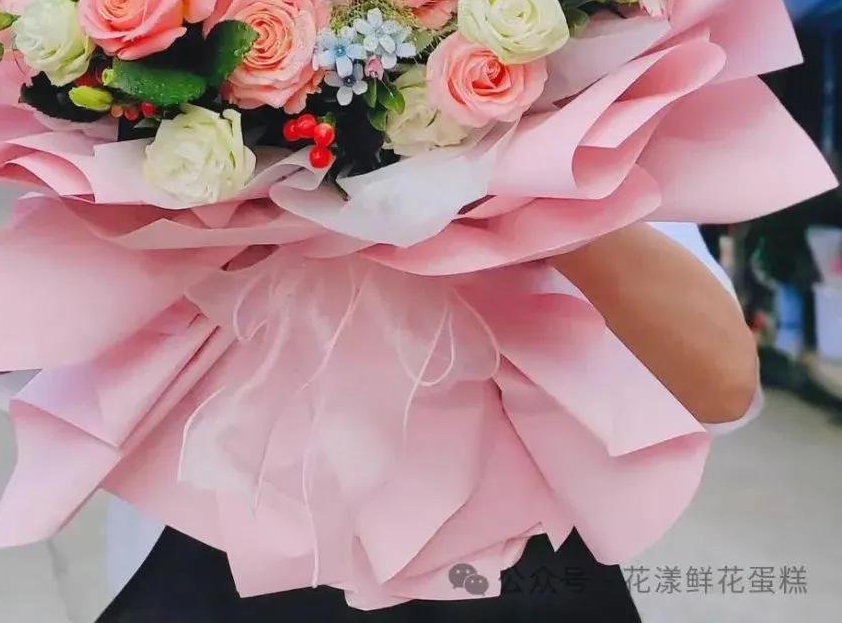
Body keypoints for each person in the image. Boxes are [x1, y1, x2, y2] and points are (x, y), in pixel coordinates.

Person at [91, 222, 760, 622]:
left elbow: (721, 386)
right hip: (214, 546)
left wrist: (531, 178)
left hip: (515, 570)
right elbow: (47, 359)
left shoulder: (577, 72)